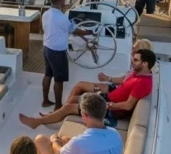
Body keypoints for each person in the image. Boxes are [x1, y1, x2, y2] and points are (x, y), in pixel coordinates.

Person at [20, 48, 156, 129]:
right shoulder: (137, 73)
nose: (132, 62)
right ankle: (56, 116)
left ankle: (37, 122)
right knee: (74, 98)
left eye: (136, 60)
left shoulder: (142, 83)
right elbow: (123, 82)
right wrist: (108, 80)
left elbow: (127, 105)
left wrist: (108, 105)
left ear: (145, 64)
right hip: (107, 97)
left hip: (107, 109)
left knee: (69, 107)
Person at [61, 39, 153, 109]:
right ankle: (64, 108)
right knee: (80, 86)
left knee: (80, 86)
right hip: (113, 89)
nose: (131, 51)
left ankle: (64, 108)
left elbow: (124, 84)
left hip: (111, 90)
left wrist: (108, 79)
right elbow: (124, 79)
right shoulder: (139, 68)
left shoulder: (139, 70)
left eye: (134, 49)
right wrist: (107, 78)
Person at [40, 0, 91, 109]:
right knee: (59, 80)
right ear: (62, 1)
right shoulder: (61, 17)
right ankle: (58, 106)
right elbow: (75, 31)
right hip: (57, 52)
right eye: (64, 0)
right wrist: (88, 32)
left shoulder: (46, 14)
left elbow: (51, 29)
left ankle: (45, 101)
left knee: (48, 74)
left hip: (47, 48)